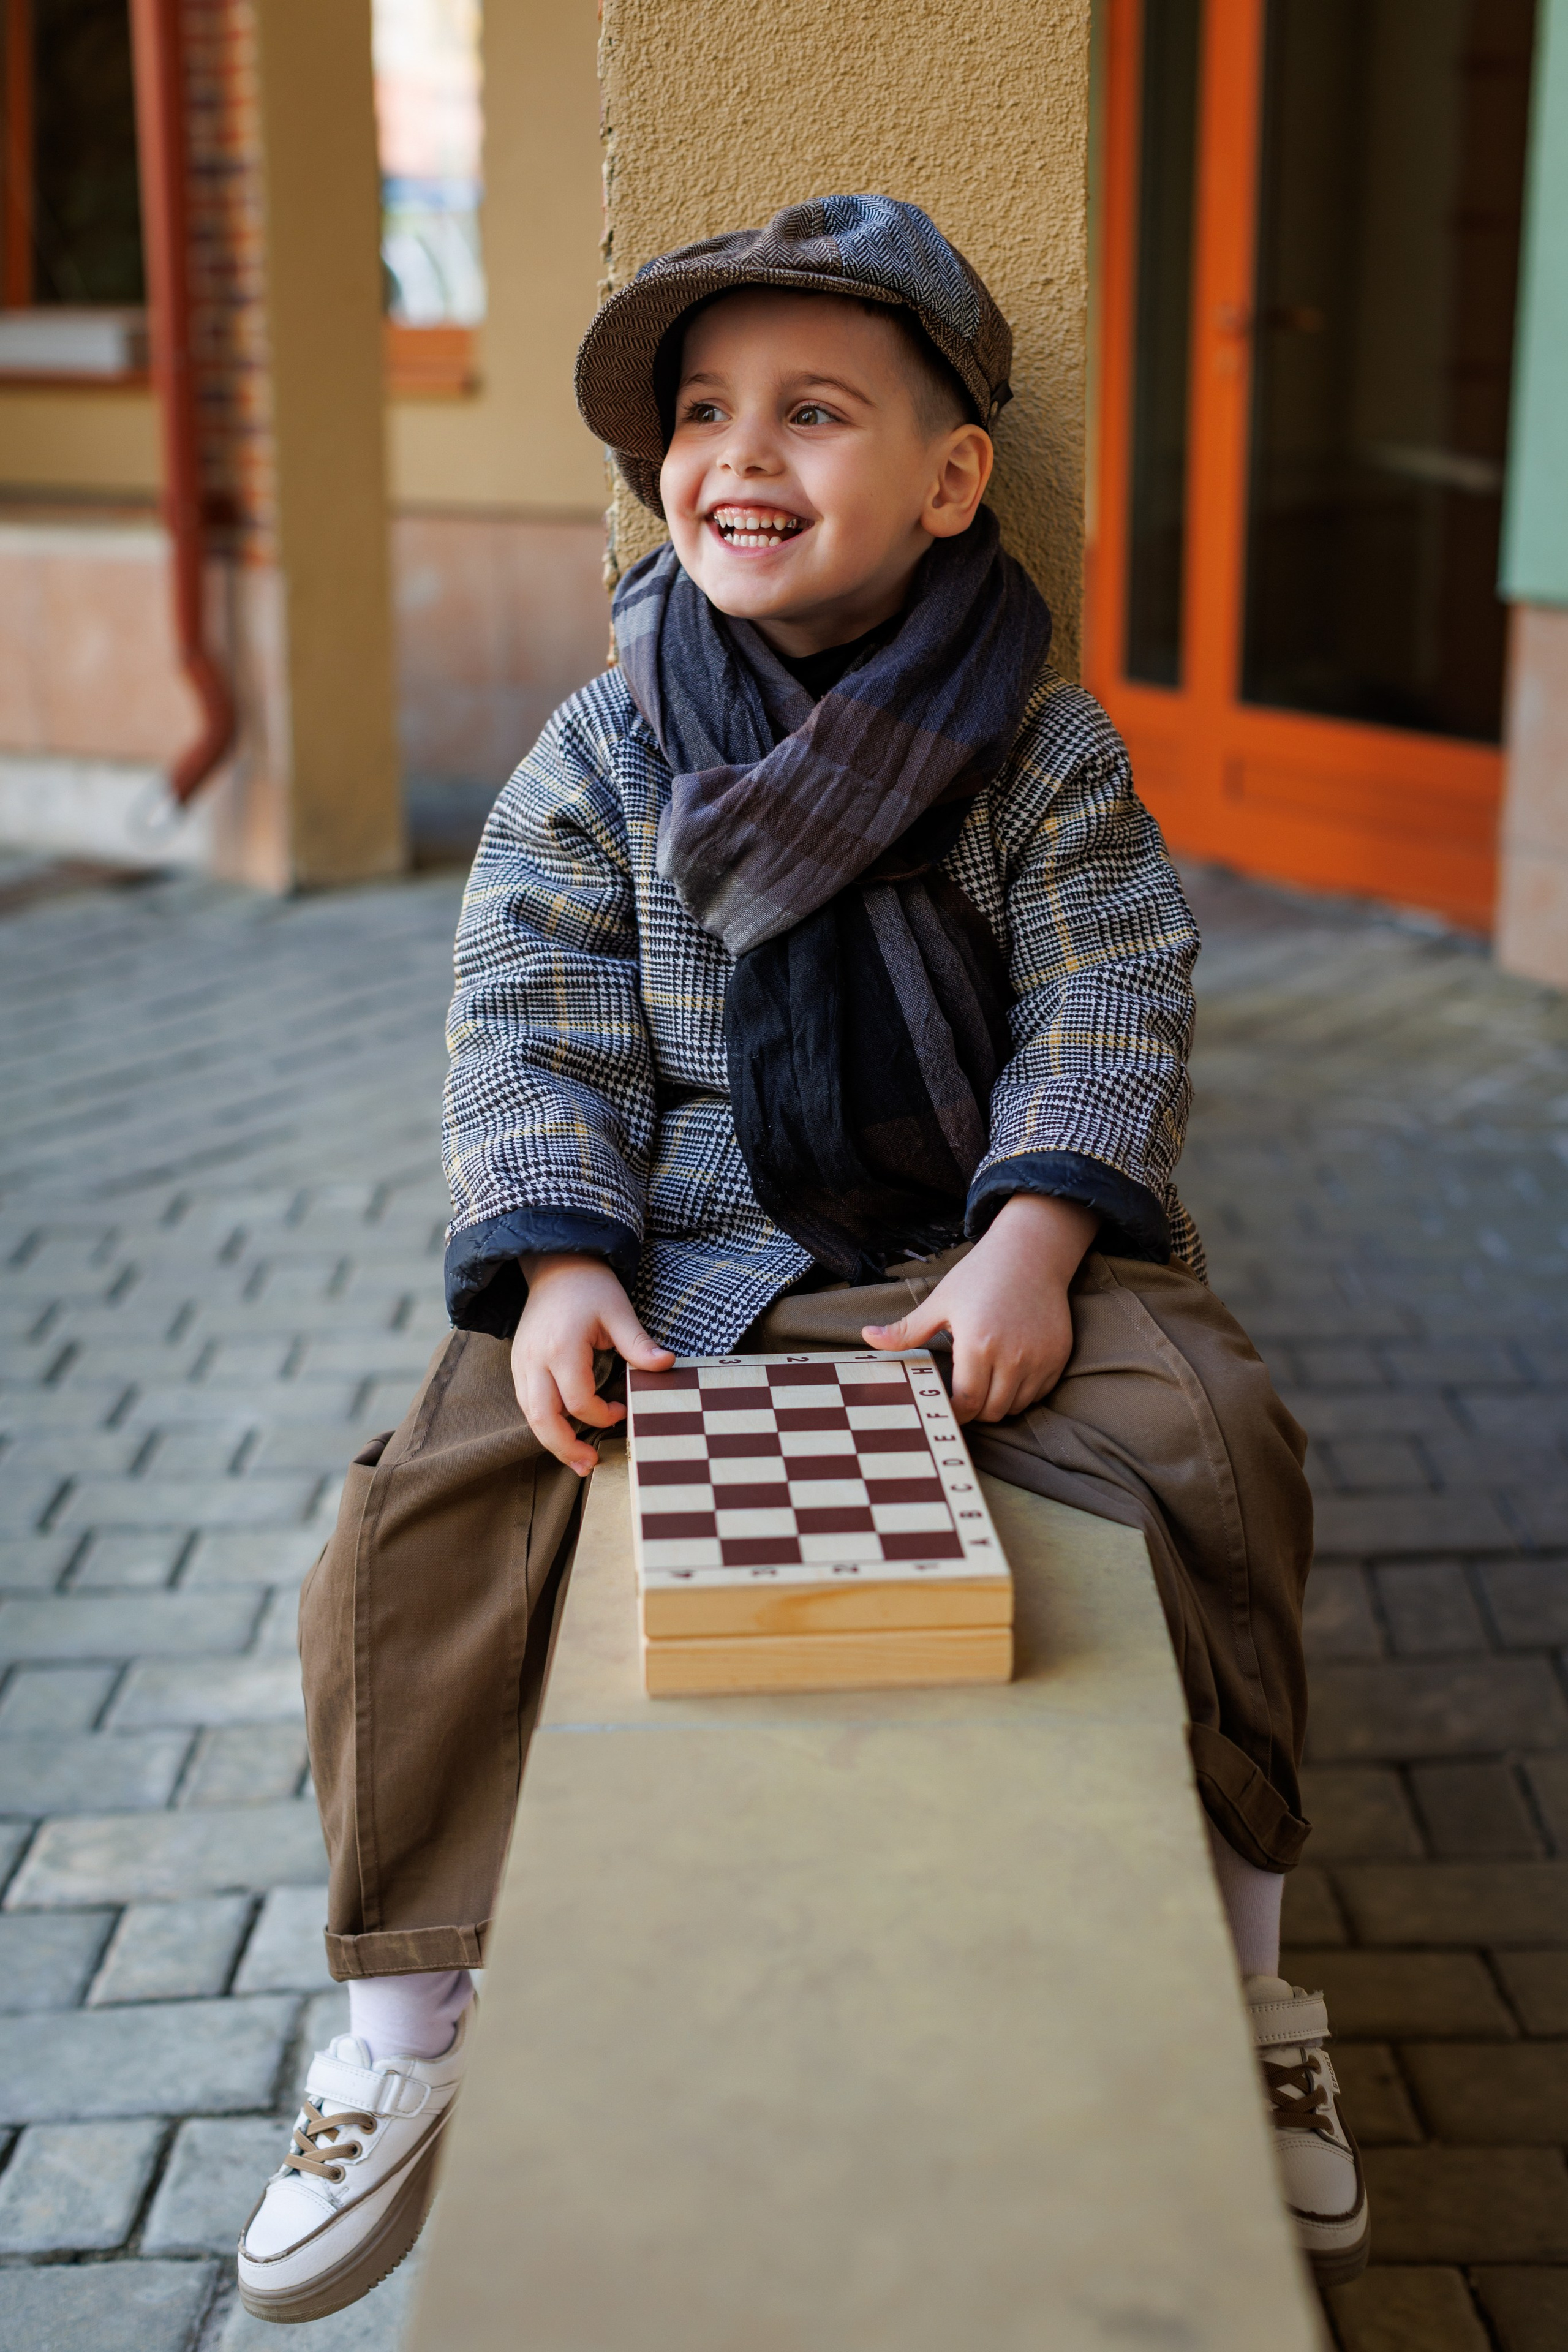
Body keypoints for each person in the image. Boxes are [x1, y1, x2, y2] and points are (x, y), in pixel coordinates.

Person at [236, 195, 1366, 2322]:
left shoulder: (1038, 743)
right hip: (690, 1240)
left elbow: (1114, 995)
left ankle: (1252, 1983)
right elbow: (529, 1010)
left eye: (813, 413)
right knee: (422, 1510)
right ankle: (405, 2031)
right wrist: (562, 1269)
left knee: (1226, 1441)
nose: (738, 454)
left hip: (978, 1229)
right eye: (701, 411)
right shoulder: (609, 740)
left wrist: (1040, 1243)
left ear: (951, 482)